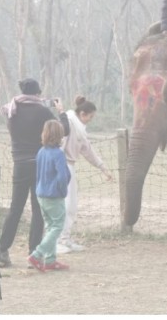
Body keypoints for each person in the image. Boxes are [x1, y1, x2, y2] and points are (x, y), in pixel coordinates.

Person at [0, 78, 69, 268]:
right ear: (37, 93)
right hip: (39, 164)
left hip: (19, 164)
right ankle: (33, 253)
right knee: (37, 210)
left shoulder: (11, 110)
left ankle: (1, 251)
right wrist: (61, 111)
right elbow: (64, 130)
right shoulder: (42, 111)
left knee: (15, 208)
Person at [57, 96, 113, 254]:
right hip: (62, 165)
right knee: (65, 204)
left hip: (70, 166)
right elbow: (60, 145)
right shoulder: (68, 123)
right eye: (90, 116)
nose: (91, 119)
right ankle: (58, 240)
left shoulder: (80, 129)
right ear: (83, 113)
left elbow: (88, 150)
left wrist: (102, 167)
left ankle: (65, 238)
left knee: (72, 205)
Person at [28, 120, 71, 272]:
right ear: (60, 135)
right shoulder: (58, 154)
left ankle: (51, 260)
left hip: (41, 195)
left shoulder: (41, 152)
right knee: (57, 227)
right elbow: (62, 177)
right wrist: (64, 192)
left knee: (50, 226)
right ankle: (37, 254)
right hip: (54, 196)